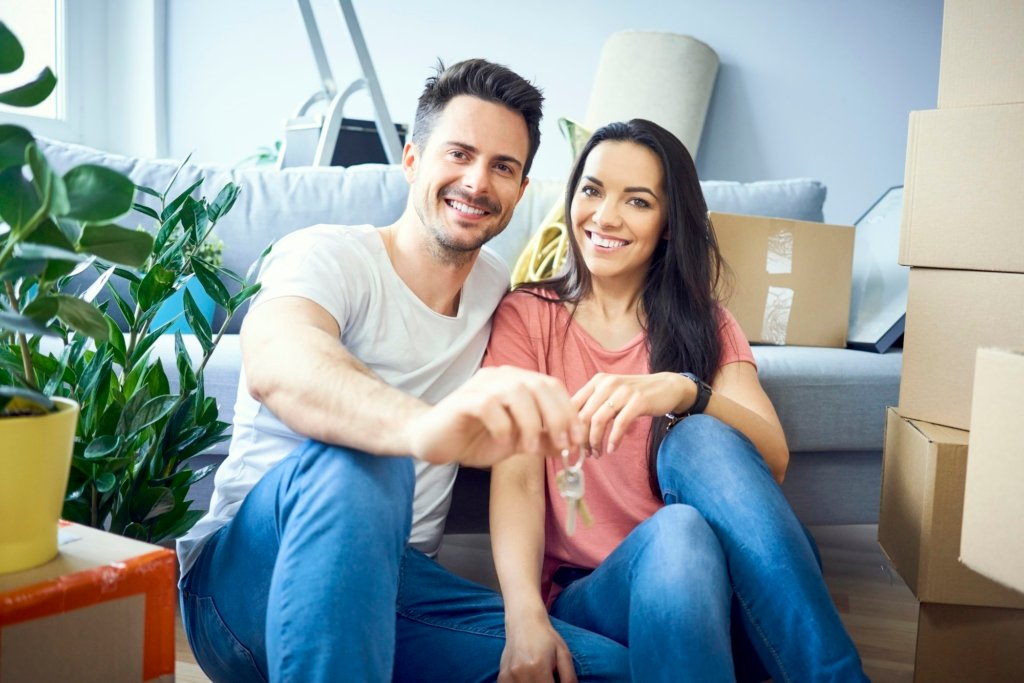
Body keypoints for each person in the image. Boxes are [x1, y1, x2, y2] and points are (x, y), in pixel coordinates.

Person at [176, 59, 629, 683]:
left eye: (503, 167)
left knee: (601, 669)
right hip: (249, 579)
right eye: (459, 154)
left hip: (397, 584)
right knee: (369, 456)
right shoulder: (326, 254)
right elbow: (281, 361)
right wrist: (424, 430)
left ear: (521, 191)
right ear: (412, 160)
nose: (477, 182)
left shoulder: (498, 289)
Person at [486, 118, 869, 682]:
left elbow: (773, 459)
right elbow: (515, 478)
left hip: (716, 599)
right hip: (597, 597)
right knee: (678, 532)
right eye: (591, 190)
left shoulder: (705, 323)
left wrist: (685, 390)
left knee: (701, 436)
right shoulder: (527, 316)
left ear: (668, 224)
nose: (605, 216)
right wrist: (523, 618)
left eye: (637, 202)